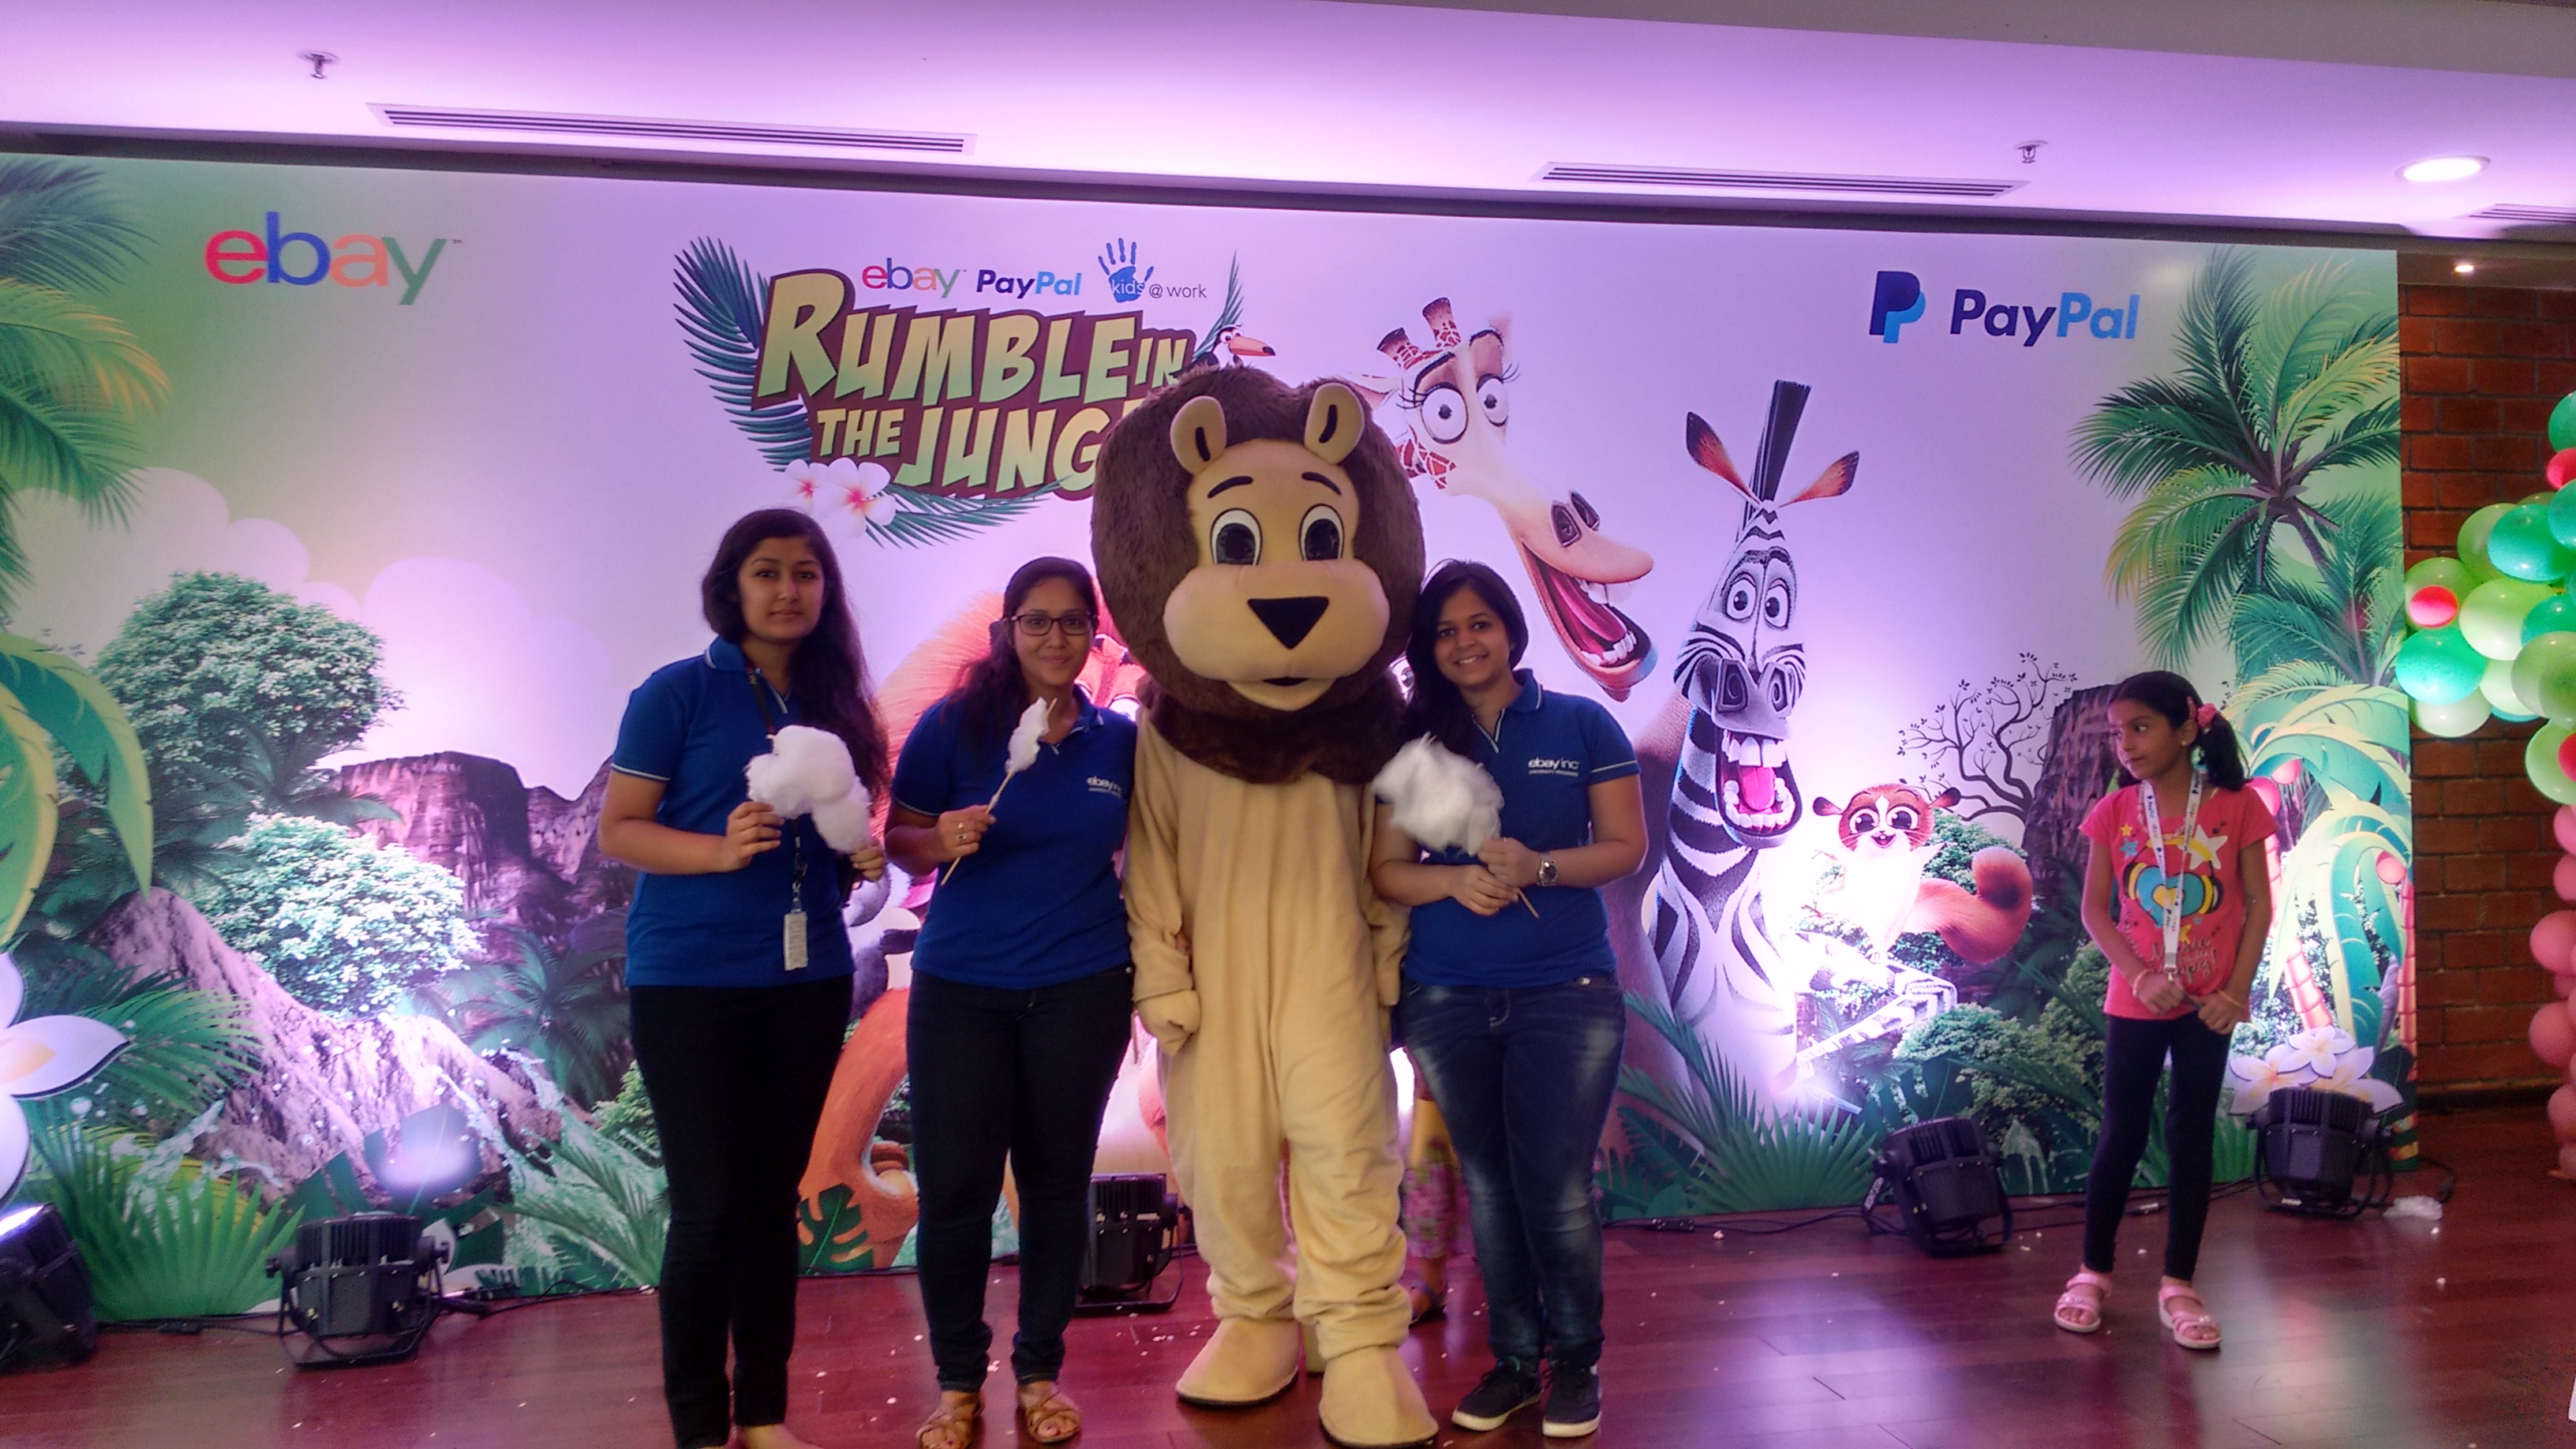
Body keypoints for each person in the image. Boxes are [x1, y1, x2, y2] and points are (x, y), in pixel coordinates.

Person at [599, 508, 891, 1449]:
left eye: (806, 573)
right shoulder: (676, 693)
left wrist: (862, 858)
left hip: (806, 982)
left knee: (771, 1205)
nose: (788, 590)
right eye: (767, 572)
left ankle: (762, 1417)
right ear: (732, 586)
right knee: (710, 1209)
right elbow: (620, 830)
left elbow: (832, 841)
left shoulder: (838, 703)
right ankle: (699, 1429)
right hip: (689, 982)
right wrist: (718, 851)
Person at [1367, 560, 1647, 1439]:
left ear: (1512, 630)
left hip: (1567, 994)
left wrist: (1541, 867)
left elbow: (1626, 847)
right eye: (1445, 632)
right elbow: (1387, 871)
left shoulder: (1580, 722)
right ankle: (1517, 1363)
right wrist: (1454, 881)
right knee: (1491, 1188)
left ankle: (1577, 1363)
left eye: (1479, 624)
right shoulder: (1420, 750)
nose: (1465, 643)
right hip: (1447, 1000)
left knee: (1555, 1189)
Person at [884, 557, 1140, 1449]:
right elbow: (901, 841)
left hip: (1082, 987)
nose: (1056, 638)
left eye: (1073, 622)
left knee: (1057, 1187)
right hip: (962, 991)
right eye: (1038, 621)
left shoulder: (1118, 744)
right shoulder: (953, 727)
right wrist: (940, 838)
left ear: (1092, 636)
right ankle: (958, 1384)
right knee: (956, 1190)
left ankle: (1040, 1373)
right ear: (1008, 631)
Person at [2054, 670, 2273, 1351]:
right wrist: (2140, 976)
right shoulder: (2115, 811)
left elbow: (2259, 906)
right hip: (2137, 999)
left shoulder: (2238, 806)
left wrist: (2235, 994)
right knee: (2120, 1132)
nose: (2126, 743)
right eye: (2118, 732)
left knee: (2191, 1135)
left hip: (2211, 1006)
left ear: (2185, 729)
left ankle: (2180, 1282)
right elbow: (2096, 912)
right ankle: (2093, 1272)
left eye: (2140, 727)